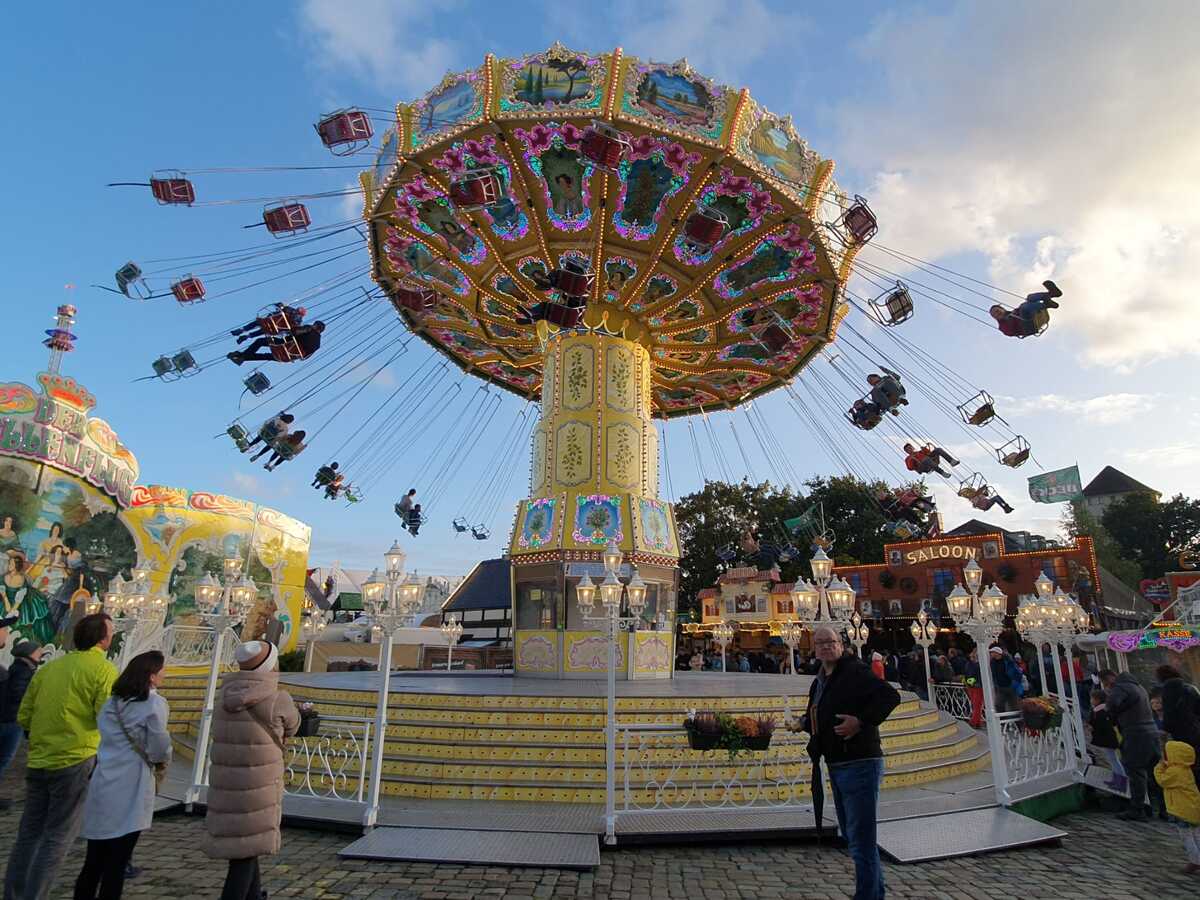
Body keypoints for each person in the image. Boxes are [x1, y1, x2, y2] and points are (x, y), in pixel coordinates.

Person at [4, 613, 117, 900]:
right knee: (57, 836)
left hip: (40, 758)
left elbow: (24, 715)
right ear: (102, 639)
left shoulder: (50, 668)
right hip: (76, 759)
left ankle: (14, 894)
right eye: (110, 631)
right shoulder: (103, 669)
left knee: (29, 834)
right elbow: (106, 718)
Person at [803, 627, 900, 900]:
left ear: (841, 644)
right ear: (813, 649)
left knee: (860, 838)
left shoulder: (855, 671)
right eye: (820, 643)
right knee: (852, 834)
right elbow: (819, 714)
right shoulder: (820, 681)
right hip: (837, 762)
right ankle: (873, 893)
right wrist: (804, 723)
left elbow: (890, 696)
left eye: (830, 642)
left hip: (860, 762)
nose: (825, 647)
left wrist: (861, 721)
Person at [205, 641, 300, 900]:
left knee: (247, 845)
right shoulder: (277, 698)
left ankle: (254, 895)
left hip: (228, 781)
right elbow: (293, 725)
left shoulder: (225, 696)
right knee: (245, 852)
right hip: (258, 782)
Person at [75, 650, 171, 900]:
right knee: (117, 862)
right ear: (151, 676)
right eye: (162, 670)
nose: (165, 674)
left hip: (105, 778)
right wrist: (160, 760)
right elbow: (160, 745)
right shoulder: (153, 704)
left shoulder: (112, 703)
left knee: (93, 860)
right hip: (132, 782)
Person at [1102, 669, 1163, 821]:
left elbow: (1111, 706)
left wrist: (1113, 711)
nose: (1106, 686)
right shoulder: (1139, 687)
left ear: (1109, 679)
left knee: (1136, 772)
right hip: (1151, 732)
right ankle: (1163, 809)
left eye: (1105, 683)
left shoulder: (1120, 687)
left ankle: (1137, 809)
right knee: (1155, 773)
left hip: (1135, 733)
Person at [0, 636, 42, 806]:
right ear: (30, 653)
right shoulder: (24, 671)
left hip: (9, 717)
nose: (40, 655)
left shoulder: (17, 668)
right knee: (5, 757)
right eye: (38, 652)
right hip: (12, 719)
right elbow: (18, 693)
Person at [1154, 741, 1200, 874]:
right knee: (1196, 834)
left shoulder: (1175, 771)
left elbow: (1162, 780)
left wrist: (1159, 766)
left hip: (1182, 810)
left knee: (1186, 836)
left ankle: (1195, 861)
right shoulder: (1185, 769)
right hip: (1193, 808)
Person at [1157, 664, 1200, 787]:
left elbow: (1169, 715)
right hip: (1195, 730)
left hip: (1179, 735)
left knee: (1185, 764)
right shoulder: (1190, 688)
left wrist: (1165, 730)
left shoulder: (1167, 691)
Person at [228, 321, 325, 365]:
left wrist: (293, 329)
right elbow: (305, 357)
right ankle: (242, 357)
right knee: (268, 356)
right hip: (289, 356)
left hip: (284, 345)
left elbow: (295, 332)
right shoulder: (317, 345)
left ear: (316, 326)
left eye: (314, 324)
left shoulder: (309, 329)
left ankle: (242, 356)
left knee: (260, 341)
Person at [989, 280, 1062, 338]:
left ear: (1003, 309)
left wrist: (1016, 312)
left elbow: (1021, 309)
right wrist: (1010, 320)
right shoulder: (1002, 326)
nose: (997, 314)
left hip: (1032, 316)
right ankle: (1046, 304)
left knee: (1029, 297)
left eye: (997, 311)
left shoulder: (1014, 312)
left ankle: (1052, 294)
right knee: (1024, 307)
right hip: (1027, 327)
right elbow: (1010, 332)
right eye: (994, 315)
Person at [1090, 689, 1127, 794]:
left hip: (1108, 740)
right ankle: (1116, 780)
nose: (1091, 701)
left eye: (1092, 698)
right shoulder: (1102, 710)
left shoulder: (1100, 712)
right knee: (1112, 760)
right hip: (1108, 739)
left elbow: (1100, 725)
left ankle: (1121, 782)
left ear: (1097, 700)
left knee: (1114, 760)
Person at [230, 304, 306, 343]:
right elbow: (292, 331)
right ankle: (247, 336)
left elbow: (278, 306)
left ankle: (242, 330)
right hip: (275, 329)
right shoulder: (298, 322)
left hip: (270, 321)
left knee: (259, 323)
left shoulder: (288, 309)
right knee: (265, 330)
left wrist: (280, 305)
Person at [989, 645, 1022, 711]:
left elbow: (1016, 671)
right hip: (1001, 687)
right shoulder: (992, 662)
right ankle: (1002, 717)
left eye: (992, 652)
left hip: (1010, 685)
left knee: (1015, 705)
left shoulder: (1008, 661)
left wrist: (1015, 682)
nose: (990, 654)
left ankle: (1017, 717)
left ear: (997, 653)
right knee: (998, 704)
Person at [964, 648, 984, 729]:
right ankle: (976, 721)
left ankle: (976, 721)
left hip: (974, 685)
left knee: (976, 705)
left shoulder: (970, 664)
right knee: (977, 705)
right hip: (975, 685)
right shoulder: (973, 664)